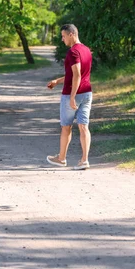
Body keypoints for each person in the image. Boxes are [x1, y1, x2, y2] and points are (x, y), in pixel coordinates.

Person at [46, 24, 93, 170]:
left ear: (72, 34)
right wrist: (57, 81)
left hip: (72, 95)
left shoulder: (73, 52)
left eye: (64, 36)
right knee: (84, 126)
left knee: (66, 127)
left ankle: (61, 159)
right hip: (87, 93)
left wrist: (72, 97)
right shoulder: (86, 50)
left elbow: (77, 75)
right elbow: (74, 74)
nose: (62, 39)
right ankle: (84, 160)